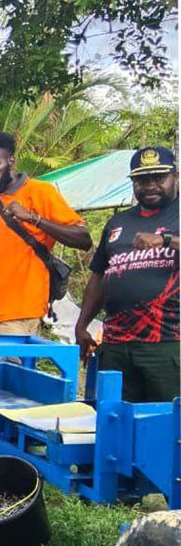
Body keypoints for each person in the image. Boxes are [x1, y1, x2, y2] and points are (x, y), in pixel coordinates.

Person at [76, 146, 179, 403]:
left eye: (158, 178)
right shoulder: (118, 223)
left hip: (168, 344)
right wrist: (82, 324)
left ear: (175, 177)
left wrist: (166, 240)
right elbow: (99, 276)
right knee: (114, 416)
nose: (150, 185)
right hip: (116, 344)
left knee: (168, 420)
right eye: (142, 180)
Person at [0, 130, 91, 335]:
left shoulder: (39, 191)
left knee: (14, 358)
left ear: (11, 162)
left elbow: (83, 238)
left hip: (21, 311)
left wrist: (33, 218)